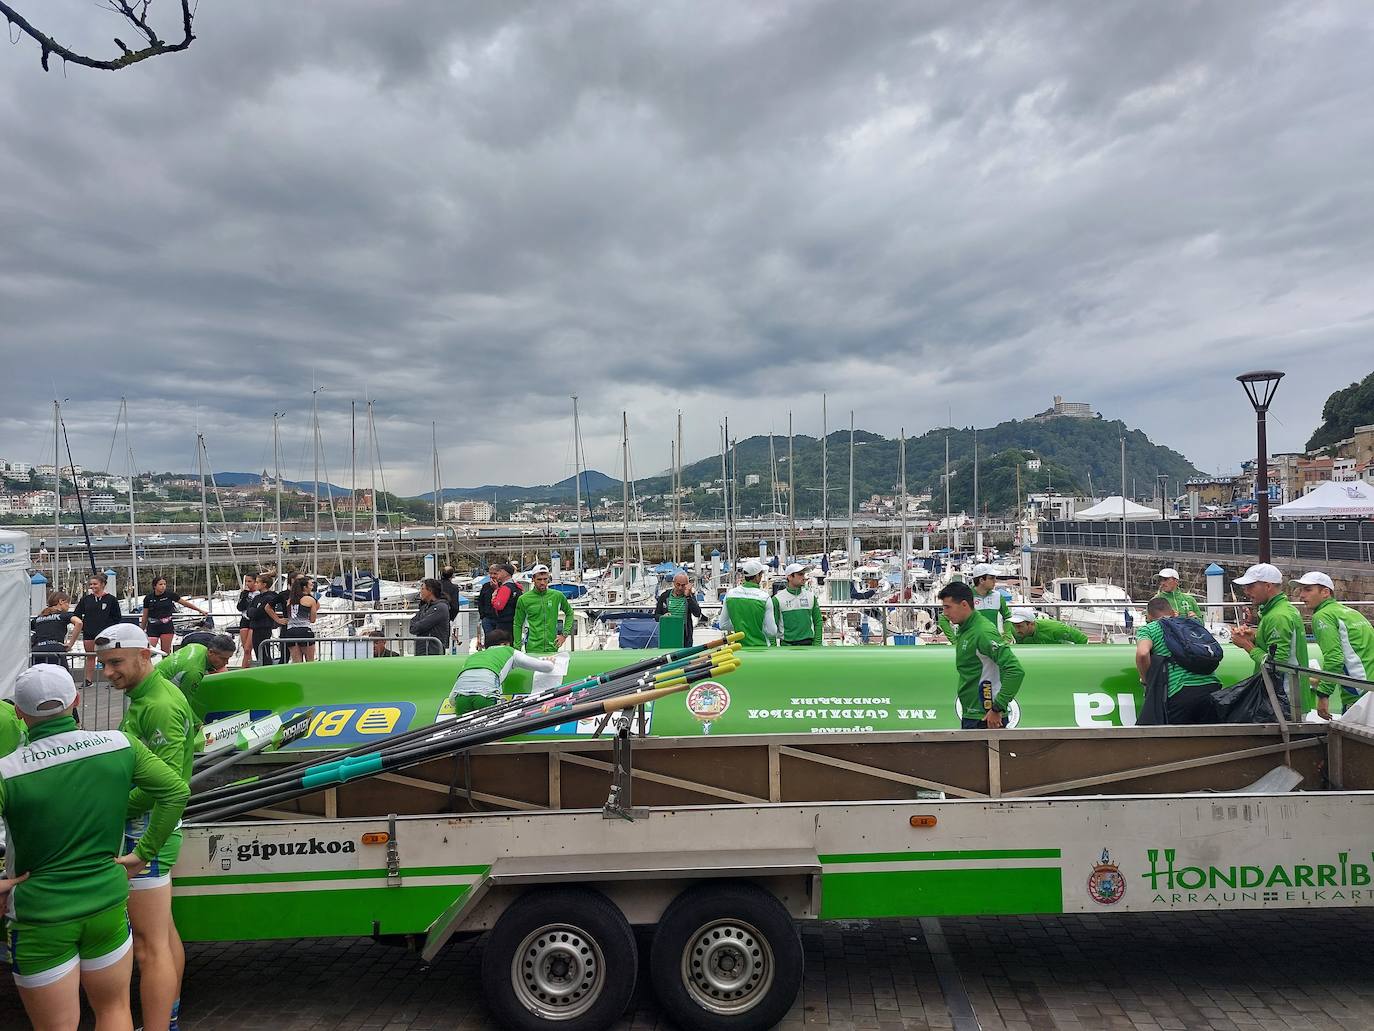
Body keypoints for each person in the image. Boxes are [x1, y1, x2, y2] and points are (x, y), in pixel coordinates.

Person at [0, 664, 189, 1031]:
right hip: (107, 903)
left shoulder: (7, 771)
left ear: (20, 714)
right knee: (115, 1009)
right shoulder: (120, 745)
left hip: (42, 914)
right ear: (76, 700)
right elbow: (175, 791)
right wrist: (143, 854)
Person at [95, 623, 197, 1031]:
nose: (107, 673)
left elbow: (169, 785)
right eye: (103, 665)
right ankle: (167, 1017)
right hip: (153, 826)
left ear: (143, 656)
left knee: (148, 949)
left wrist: (109, 807)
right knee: (163, 936)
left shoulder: (158, 704)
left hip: (147, 830)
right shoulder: (151, 695)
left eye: (115, 663)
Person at [937, 581, 1024, 729]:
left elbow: (1015, 670)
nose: (945, 613)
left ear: (964, 605)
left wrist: (998, 708)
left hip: (985, 717)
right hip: (972, 713)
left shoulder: (982, 632)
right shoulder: (965, 629)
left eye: (948, 607)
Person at [1229, 562, 1311, 713]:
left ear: (1267, 586)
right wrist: (1255, 636)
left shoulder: (1277, 616)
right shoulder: (1284, 610)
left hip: (1284, 700)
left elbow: (1277, 664)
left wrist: (1246, 645)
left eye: (1251, 586)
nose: (1246, 591)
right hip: (1289, 697)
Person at [1294, 571, 1374, 719]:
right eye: (1301, 590)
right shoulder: (1352, 613)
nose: (1301, 595)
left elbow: (1334, 659)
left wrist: (1323, 694)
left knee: (1352, 740)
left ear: (1325, 592)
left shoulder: (1322, 616)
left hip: (1358, 692)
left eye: (1308, 589)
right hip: (1369, 687)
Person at [1135, 598, 1221, 724]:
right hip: (1212, 688)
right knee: (1208, 740)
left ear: (1148, 616)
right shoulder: (1191, 624)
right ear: (1173, 612)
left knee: (1175, 742)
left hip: (1180, 691)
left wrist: (1146, 680)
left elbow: (1142, 653)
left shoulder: (1149, 629)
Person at [438, 628, 556, 719]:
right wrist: (550, 662)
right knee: (492, 737)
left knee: (463, 739)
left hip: (461, 698)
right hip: (486, 694)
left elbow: (452, 698)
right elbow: (546, 667)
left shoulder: (473, 657)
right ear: (505, 644)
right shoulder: (509, 651)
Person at [157, 633, 236, 718]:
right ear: (210, 652)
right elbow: (184, 705)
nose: (226, 663)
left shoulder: (197, 646)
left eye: (228, 658)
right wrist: (198, 724)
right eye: (223, 659)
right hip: (156, 692)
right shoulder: (194, 673)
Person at [73, 572, 122, 688]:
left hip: (106, 634)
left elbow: (117, 617)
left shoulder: (111, 599)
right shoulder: (86, 600)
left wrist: (110, 629)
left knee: (108, 657)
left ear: (103, 584)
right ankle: (88, 680)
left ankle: (112, 680)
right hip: (89, 633)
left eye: (95, 584)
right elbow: (77, 614)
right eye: (91, 584)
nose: (92, 586)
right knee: (90, 656)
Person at [513, 565, 575, 653]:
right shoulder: (524, 599)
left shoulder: (557, 596)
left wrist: (564, 635)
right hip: (532, 647)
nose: (542, 582)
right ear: (533, 579)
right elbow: (517, 624)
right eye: (539, 579)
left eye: (545, 579)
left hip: (552, 647)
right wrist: (517, 648)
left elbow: (570, 613)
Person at [140, 577, 210, 654]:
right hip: (152, 626)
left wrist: (200, 610)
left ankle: (166, 665)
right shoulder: (148, 598)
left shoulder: (170, 595)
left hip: (166, 626)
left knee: (165, 652)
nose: (163, 586)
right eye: (160, 584)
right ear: (154, 586)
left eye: (164, 584)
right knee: (148, 650)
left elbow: (185, 603)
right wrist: (141, 630)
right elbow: (145, 615)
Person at [719, 558, 778, 647]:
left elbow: (723, 625)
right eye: (761, 574)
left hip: (739, 648)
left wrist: (739, 625)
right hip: (761, 648)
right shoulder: (764, 597)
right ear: (757, 576)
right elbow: (772, 631)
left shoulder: (730, 595)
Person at [772, 562, 823, 646]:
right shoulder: (777, 599)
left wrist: (817, 644)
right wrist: (773, 647)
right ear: (790, 577)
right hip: (786, 646)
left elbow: (818, 621)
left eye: (804, 574)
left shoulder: (811, 596)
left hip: (808, 645)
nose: (804, 577)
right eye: (800, 574)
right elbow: (772, 626)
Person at [29, 590, 83, 666]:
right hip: (55, 649)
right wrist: (70, 644)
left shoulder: (39, 617)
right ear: (61, 601)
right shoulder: (63, 615)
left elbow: (27, 628)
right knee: (62, 676)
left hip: (37, 650)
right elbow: (79, 622)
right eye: (67, 603)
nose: (68, 606)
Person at [274, 575, 318, 663]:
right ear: (305, 587)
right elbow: (313, 620)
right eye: (310, 585)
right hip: (304, 630)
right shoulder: (310, 599)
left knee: (296, 661)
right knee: (310, 661)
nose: (312, 586)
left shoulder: (290, 600)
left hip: (290, 631)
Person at [654, 572, 703, 648]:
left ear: (687, 585)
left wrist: (688, 597)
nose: (680, 588)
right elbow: (656, 616)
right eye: (678, 584)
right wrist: (663, 617)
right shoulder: (665, 596)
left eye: (683, 585)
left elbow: (697, 613)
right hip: (668, 632)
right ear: (674, 583)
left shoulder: (689, 596)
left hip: (685, 634)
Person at [240, 573, 280, 666]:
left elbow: (260, 612)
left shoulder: (270, 596)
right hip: (254, 626)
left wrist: (254, 611)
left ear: (264, 584)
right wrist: (252, 610)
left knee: (264, 651)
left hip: (263, 627)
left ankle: (267, 669)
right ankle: (252, 668)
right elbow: (248, 609)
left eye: (257, 582)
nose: (255, 584)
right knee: (257, 651)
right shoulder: (257, 597)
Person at [477, 562, 522, 638]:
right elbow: (480, 601)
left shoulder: (507, 587)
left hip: (503, 620)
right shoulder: (486, 586)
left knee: (502, 641)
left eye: (495, 573)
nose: (492, 576)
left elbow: (498, 605)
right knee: (490, 641)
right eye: (490, 573)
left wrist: (496, 590)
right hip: (489, 618)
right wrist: (483, 616)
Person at [409, 578, 451, 656]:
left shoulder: (441, 607)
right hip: (421, 650)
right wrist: (416, 625)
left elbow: (421, 626)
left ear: (430, 590)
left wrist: (417, 625)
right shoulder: (425, 607)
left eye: (422, 589)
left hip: (433, 652)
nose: (420, 591)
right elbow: (412, 626)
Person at [1008, 608, 1088, 644]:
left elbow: (1083, 639)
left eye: (1019, 626)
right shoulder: (1014, 630)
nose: (1016, 629)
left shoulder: (1056, 629)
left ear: (1031, 624)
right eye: (1014, 625)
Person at [235, 573, 260, 669]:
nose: (247, 583)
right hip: (245, 620)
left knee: (248, 647)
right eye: (246, 581)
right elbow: (240, 607)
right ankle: (246, 668)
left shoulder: (259, 594)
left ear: (255, 582)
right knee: (245, 649)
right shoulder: (245, 593)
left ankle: (245, 668)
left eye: (250, 581)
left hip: (254, 620)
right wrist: (244, 594)